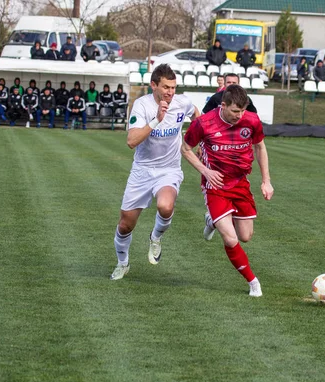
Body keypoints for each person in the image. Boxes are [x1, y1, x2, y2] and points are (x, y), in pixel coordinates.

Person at [181, 85, 274, 297]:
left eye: (242, 111)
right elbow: (185, 148)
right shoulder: (203, 124)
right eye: (234, 111)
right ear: (223, 105)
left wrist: (266, 181)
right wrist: (205, 170)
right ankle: (253, 282)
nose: (239, 116)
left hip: (240, 184)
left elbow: (260, 147)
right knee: (231, 239)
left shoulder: (251, 121)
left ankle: (212, 220)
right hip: (215, 185)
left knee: (246, 236)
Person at [110, 64, 200, 280]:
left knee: (165, 206)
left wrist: (196, 140)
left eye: (173, 87)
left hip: (169, 169)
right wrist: (156, 120)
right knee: (125, 224)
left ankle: (155, 237)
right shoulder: (142, 106)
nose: (170, 92)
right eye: (166, 87)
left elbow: (197, 116)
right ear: (153, 85)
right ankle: (123, 263)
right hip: (142, 171)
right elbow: (131, 141)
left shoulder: (182, 103)